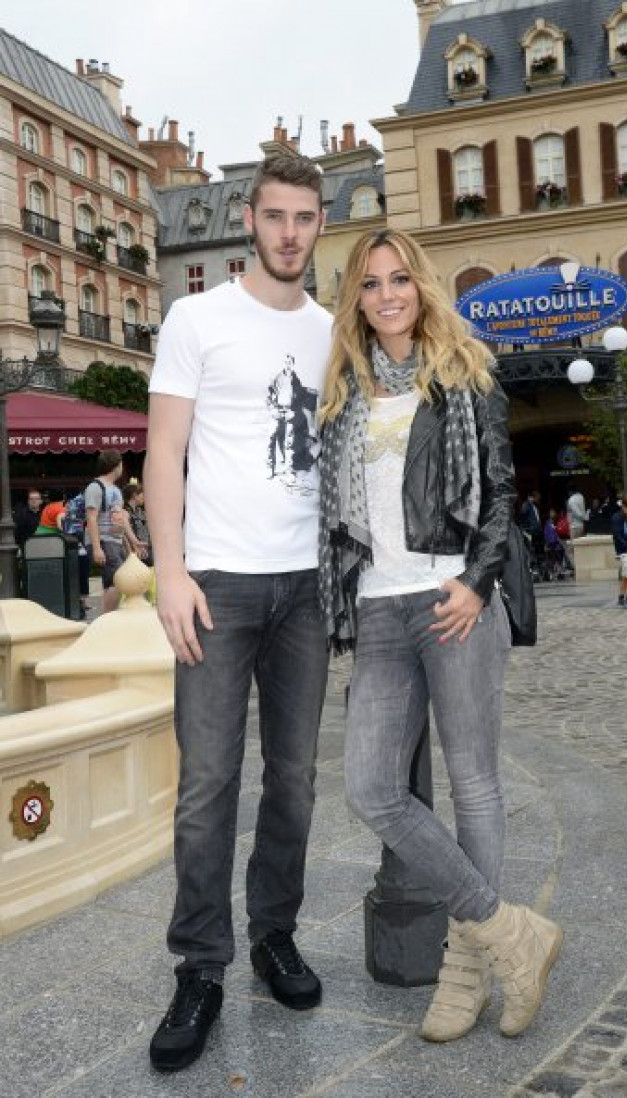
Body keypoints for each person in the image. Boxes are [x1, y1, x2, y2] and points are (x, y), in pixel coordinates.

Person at [318, 228, 563, 1045]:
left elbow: (500, 491)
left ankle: (466, 972)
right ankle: (510, 932)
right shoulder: (345, 392)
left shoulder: (466, 371)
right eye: (370, 283)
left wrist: (477, 580)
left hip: (453, 597)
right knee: (370, 787)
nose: (387, 294)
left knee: (474, 784)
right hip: (381, 610)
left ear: (421, 286)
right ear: (355, 296)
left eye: (399, 279)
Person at [144, 153, 332, 1073]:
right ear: (249, 222)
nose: (289, 232)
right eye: (275, 216)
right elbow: (162, 452)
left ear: (318, 225)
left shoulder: (335, 333)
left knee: (293, 780)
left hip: (305, 587)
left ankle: (273, 934)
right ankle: (201, 966)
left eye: (305, 217)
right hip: (215, 585)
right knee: (207, 788)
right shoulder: (196, 317)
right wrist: (169, 573)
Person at [84, 451, 143, 614]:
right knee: (118, 581)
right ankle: (108, 619)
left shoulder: (115, 490)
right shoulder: (95, 487)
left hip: (114, 541)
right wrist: (96, 547)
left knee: (115, 581)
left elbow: (121, 518)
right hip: (103, 540)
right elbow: (91, 518)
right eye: (121, 464)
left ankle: (109, 616)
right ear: (116, 465)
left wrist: (132, 541)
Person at [123, 481, 152, 565]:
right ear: (134, 495)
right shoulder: (125, 512)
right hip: (132, 552)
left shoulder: (141, 511)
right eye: (142, 494)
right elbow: (124, 534)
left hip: (145, 551)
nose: (144, 497)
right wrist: (131, 550)